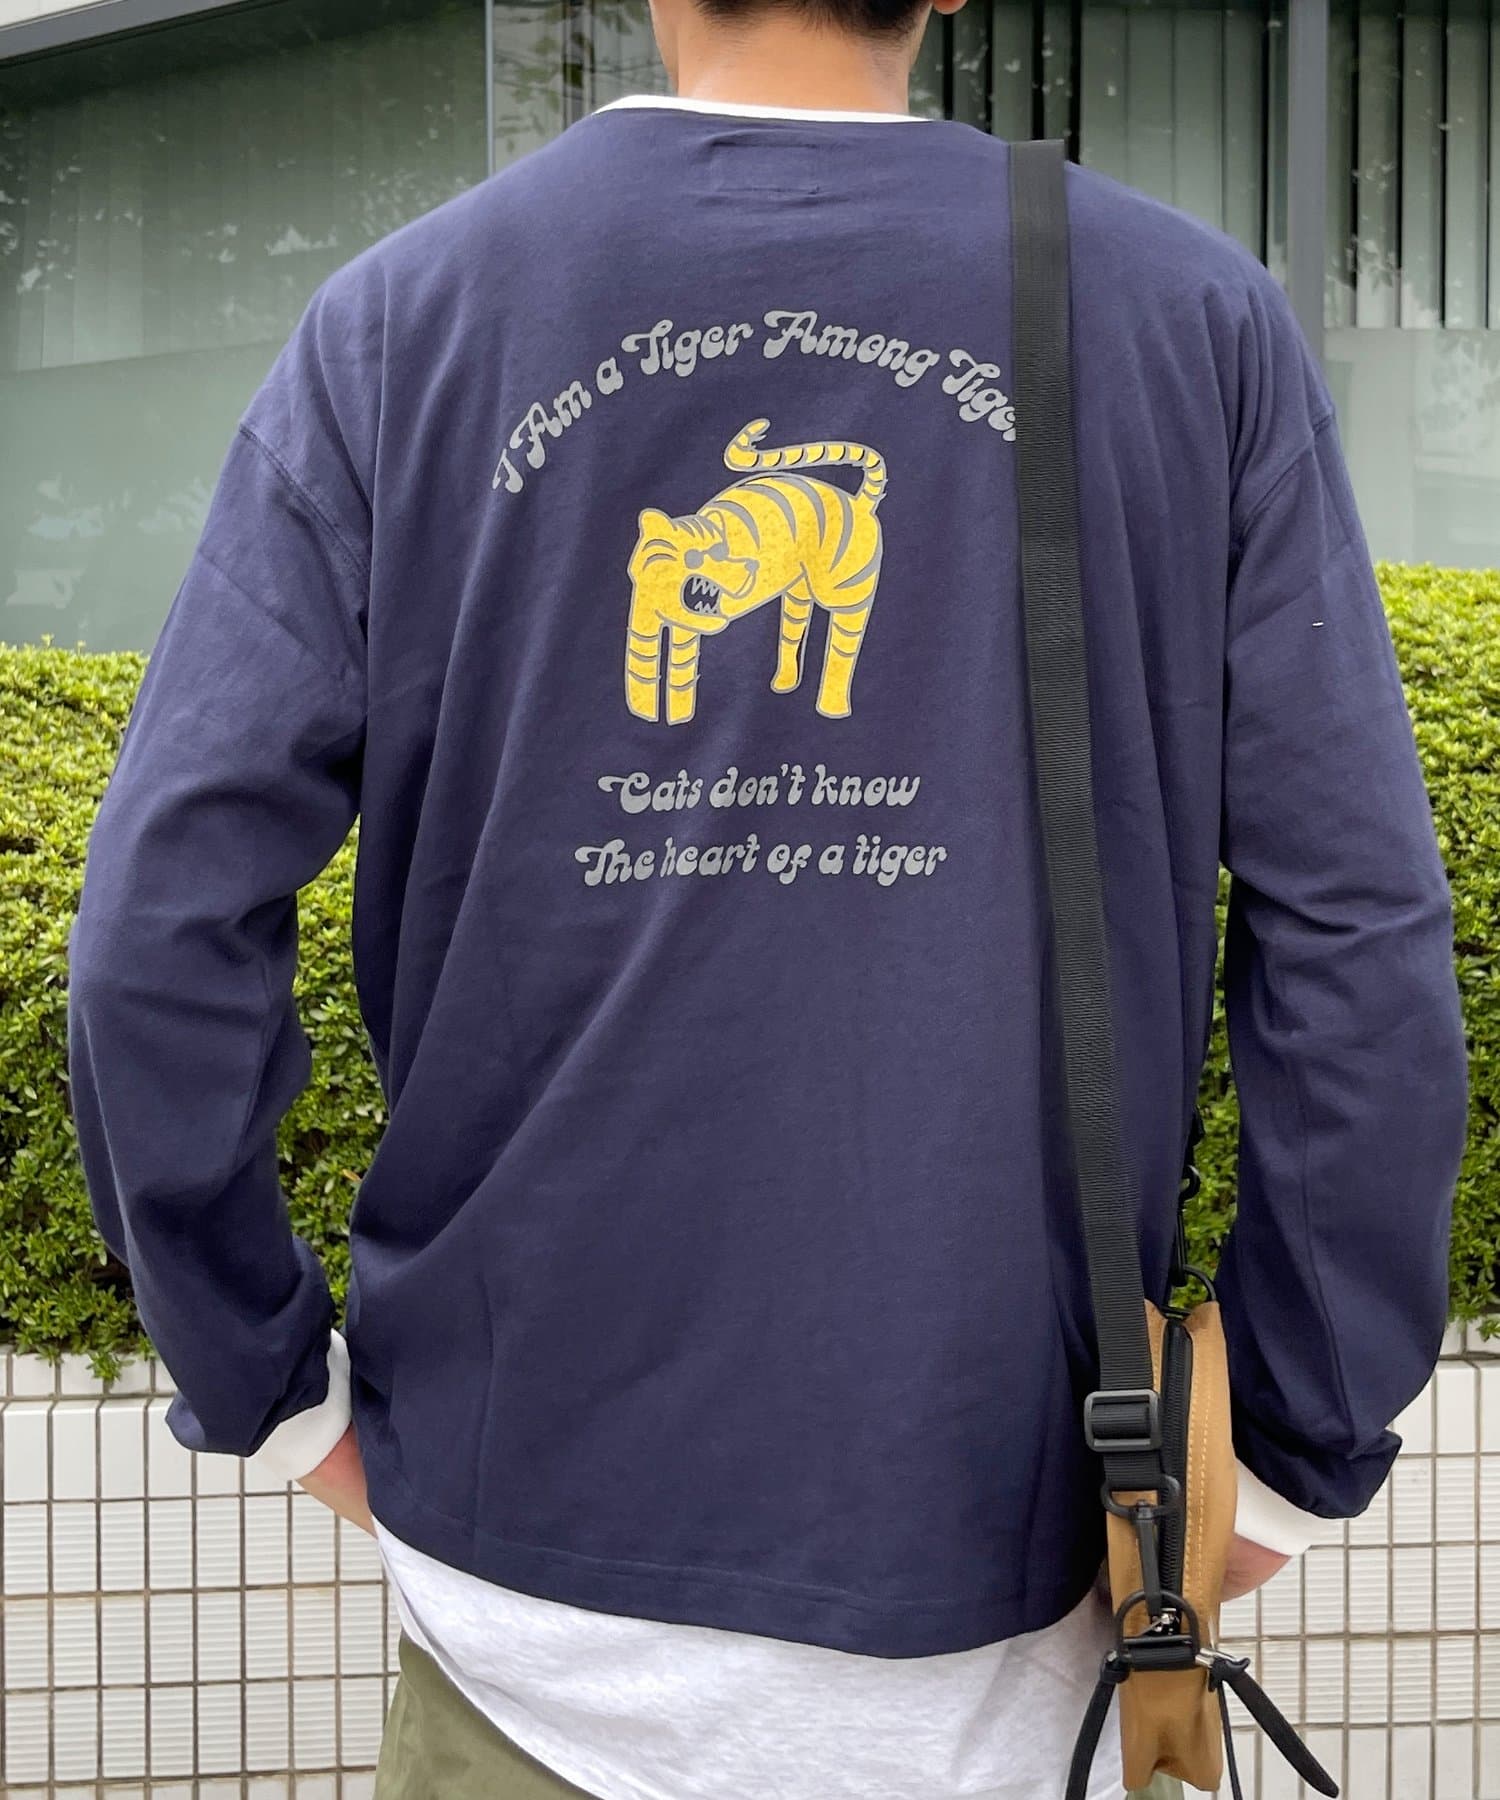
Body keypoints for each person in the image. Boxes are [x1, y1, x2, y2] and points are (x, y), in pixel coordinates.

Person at [66, 0, 1469, 1793]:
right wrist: (1286, 1448)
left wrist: (273, 1392)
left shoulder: (404, 325)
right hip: (1018, 1577)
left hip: (521, 1594)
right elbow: (1358, 942)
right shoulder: (1192, 322)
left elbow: (155, 939)